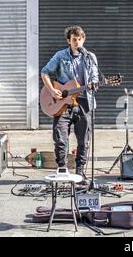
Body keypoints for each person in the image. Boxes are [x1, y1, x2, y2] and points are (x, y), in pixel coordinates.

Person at [41, 25, 105, 176]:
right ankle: (62, 168)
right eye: (74, 40)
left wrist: (95, 84)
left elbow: (95, 77)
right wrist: (52, 90)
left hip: (84, 103)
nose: (77, 42)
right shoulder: (60, 56)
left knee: (83, 140)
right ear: (68, 41)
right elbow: (44, 72)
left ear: (84, 39)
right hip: (63, 104)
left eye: (80, 39)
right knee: (60, 138)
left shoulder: (90, 57)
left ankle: (80, 171)